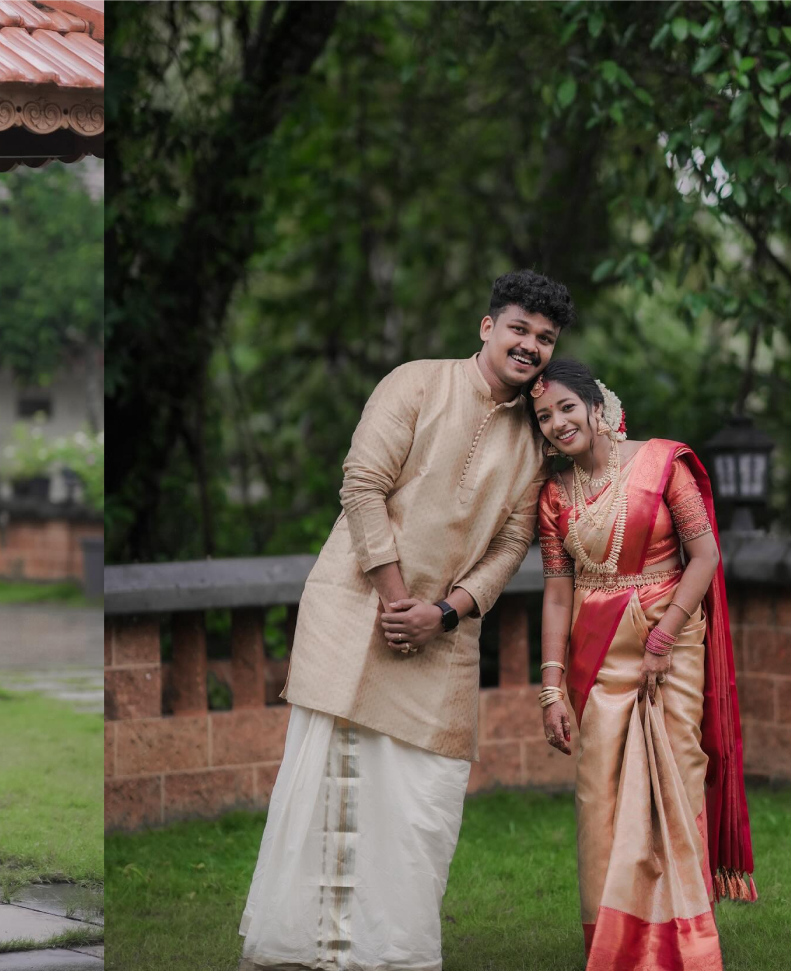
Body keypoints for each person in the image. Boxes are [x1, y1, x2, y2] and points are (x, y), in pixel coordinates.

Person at [237, 271, 571, 969]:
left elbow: (514, 543)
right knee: (336, 778)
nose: (530, 346)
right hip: (360, 609)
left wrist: (445, 612)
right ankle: (312, 949)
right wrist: (396, 601)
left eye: (544, 339)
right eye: (519, 329)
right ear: (487, 327)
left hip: (444, 635)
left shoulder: (533, 438)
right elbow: (362, 485)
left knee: (424, 800)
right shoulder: (416, 383)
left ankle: (392, 954)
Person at [531, 359, 754, 970]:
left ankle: (682, 939)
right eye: (544, 417)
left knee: (672, 782)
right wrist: (551, 688)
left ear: (596, 407)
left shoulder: (662, 464)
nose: (557, 423)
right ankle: (613, 940)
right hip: (596, 649)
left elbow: (705, 553)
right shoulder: (554, 493)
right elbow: (557, 589)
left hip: (670, 637)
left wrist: (663, 638)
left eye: (566, 409)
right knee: (598, 795)